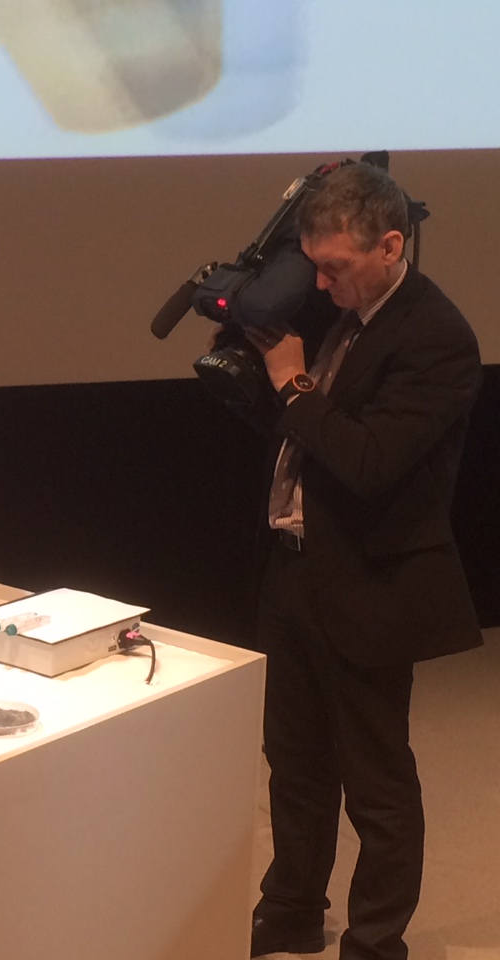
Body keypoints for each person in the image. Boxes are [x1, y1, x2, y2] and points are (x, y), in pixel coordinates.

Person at [242, 163, 483, 960]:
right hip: (295, 570)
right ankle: (291, 910)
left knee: (375, 782)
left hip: (373, 584)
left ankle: (376, 942)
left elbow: (371, 461)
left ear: (390, 246)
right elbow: (296, 430)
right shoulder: (342, 311)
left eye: (335, 266)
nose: (320, 282)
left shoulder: (437, 336)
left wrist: (294, 385)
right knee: (293, 764)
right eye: (314, 264)